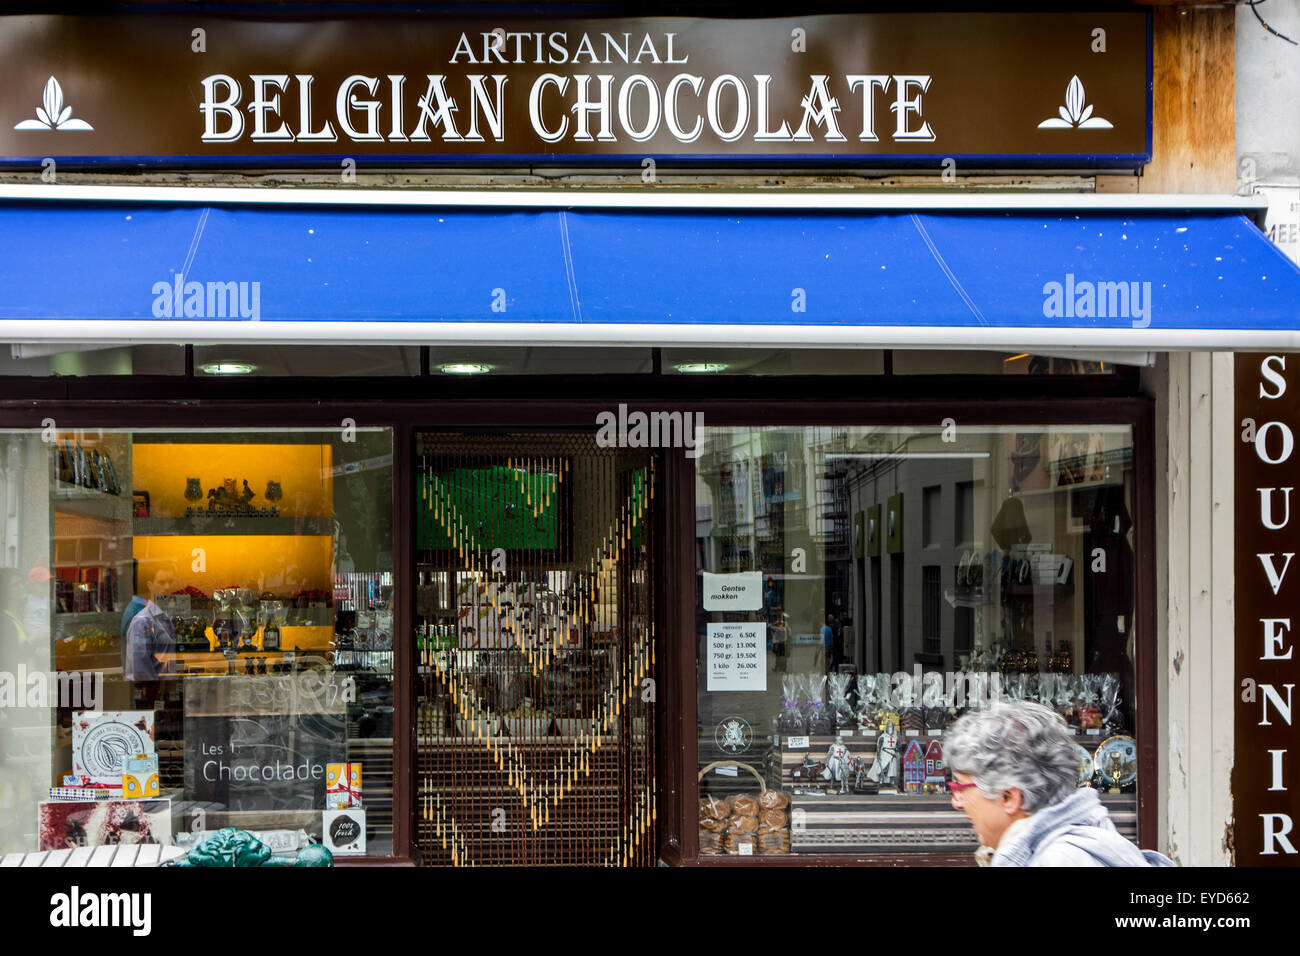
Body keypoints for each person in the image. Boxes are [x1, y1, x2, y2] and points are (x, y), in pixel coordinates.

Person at [943, 699, 1174, 867]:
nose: (957, 802)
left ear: (1009, 797)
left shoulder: (1061, 860)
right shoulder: (1071, 847)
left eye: (960, 787)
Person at [123, 562, 177, 691]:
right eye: (161, 582)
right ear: (150, 585)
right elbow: (141, 669)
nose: (167, 587)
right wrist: (155, 693)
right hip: (152, 694)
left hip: (165, 692)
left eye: (170, 581)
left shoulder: (165, 617)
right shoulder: (143, 622)